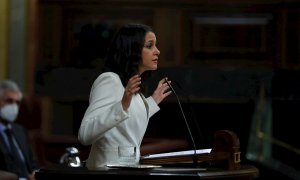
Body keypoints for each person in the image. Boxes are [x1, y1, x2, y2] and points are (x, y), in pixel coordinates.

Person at [78, 23, 172, 169]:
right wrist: (123, 104)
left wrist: (153, 101)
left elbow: (128, 121)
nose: (157, 51)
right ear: (132, 50)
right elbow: (85, 134)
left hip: (128, 171)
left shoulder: (132, 87)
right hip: (106, 171)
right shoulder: (109, 80)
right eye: (149, 46)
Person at [0, 80, 39, 180]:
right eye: (9, 101)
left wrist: (36, 173)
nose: (14, 106)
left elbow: (32, 163)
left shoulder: (20, 130)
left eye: (17, 103)